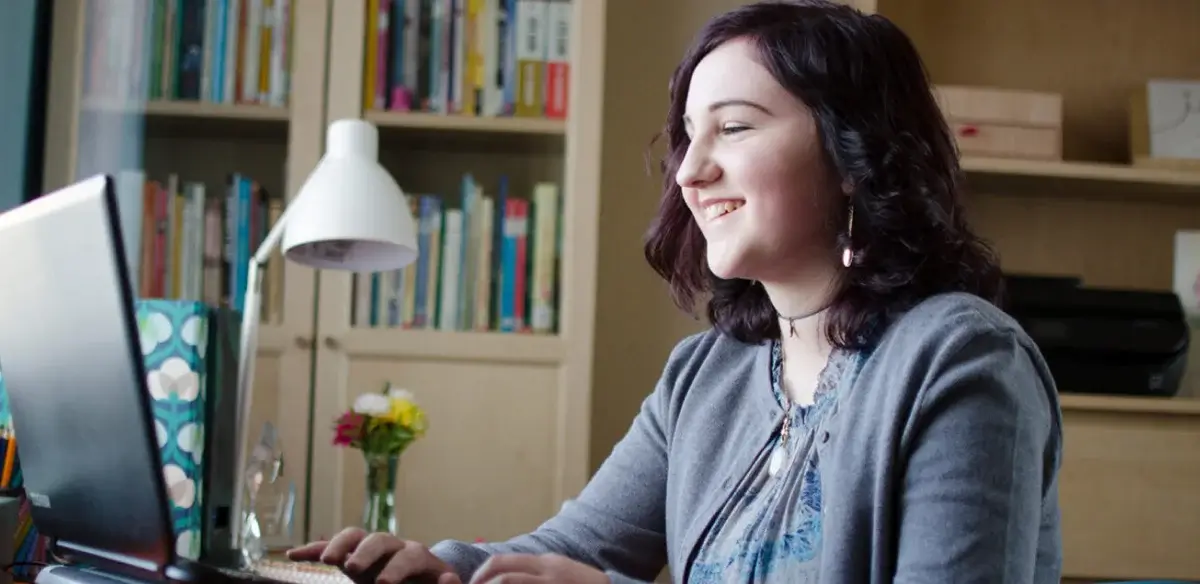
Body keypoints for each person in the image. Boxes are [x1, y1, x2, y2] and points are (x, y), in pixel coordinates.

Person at [286, 1, 1064, 582]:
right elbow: (569, 552)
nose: (690, 172)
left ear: (855, 154)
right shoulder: (705, 376)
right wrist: (438, 566)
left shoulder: (964, 361)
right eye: (689, 136)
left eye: (735, 127)